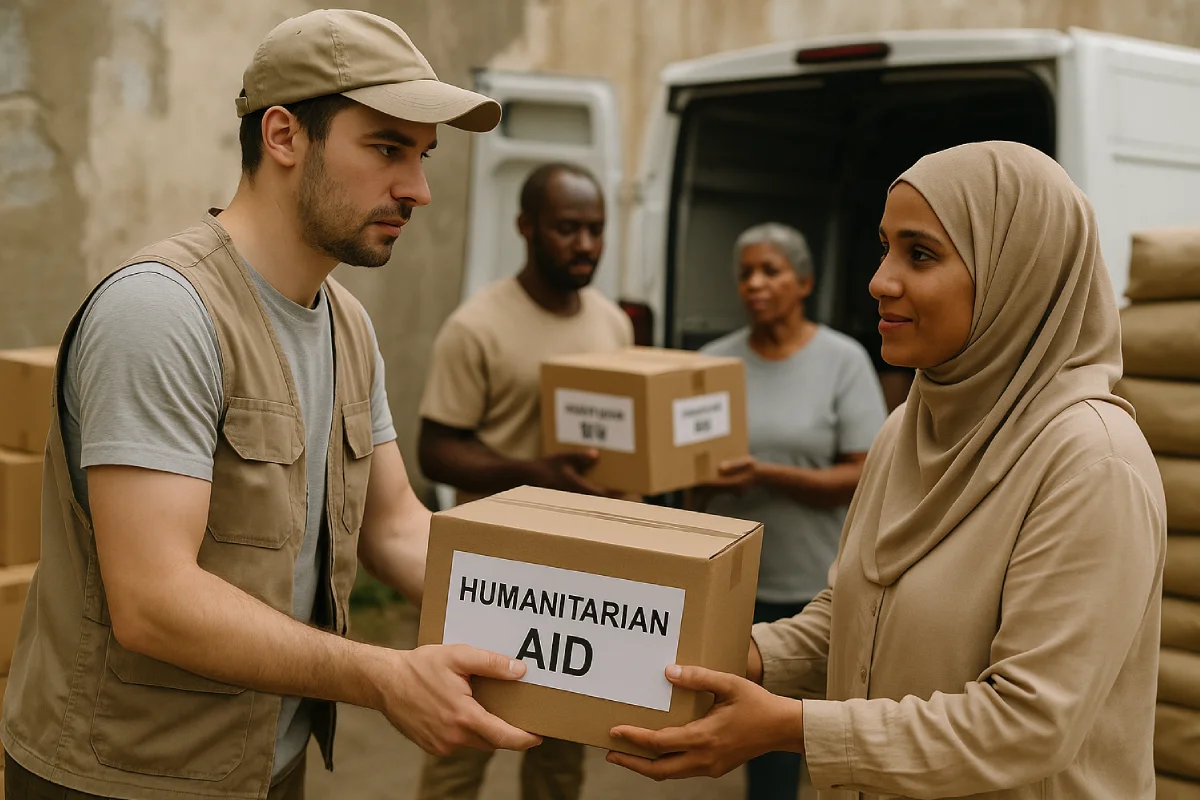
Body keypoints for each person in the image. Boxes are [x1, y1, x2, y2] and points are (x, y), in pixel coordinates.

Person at [0, 10, 544, 800]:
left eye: (422, 156)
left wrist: (568, 635)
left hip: (267, 765)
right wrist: (384, 676)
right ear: (284, 136)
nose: (418, 190)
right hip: (121, 777)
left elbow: (396, 527)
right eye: (387, 148)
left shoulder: (346, 323)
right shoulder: (162, 311)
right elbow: (154, 601)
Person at [604, 141, 1166, 799]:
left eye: (920, 254)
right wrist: (731, 658)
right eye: (884, 248)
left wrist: (791, 728)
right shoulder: (909, 428)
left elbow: (1030, 722)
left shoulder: (1092, 462)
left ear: (1018, 274)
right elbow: (854, 614)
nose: (879, 281)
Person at [416, 162, 634, 800]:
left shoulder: (613, 323)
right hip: (492, 576)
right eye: (568, 228)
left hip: (583, 577)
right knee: (462, 748)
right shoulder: (476, 326)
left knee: (562, 755)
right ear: (526, 227)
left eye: (596, 229)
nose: (586, 244)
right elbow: (436, 452)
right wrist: (531, 476)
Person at [697, 222, 887, 800]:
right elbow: (684, 470)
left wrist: (765, 474)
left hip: (814, 587)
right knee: (760, 751)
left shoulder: (842, 361)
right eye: (745, 274)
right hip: (732, 584)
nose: (754, 284)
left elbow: (866, 474)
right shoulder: (710, 364)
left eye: (770, 271)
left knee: (817, 740)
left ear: (804, 282)